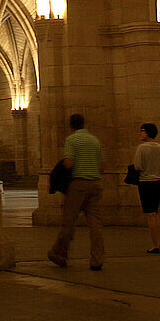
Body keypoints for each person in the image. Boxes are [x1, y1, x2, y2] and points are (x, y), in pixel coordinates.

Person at [48, 113, 104, 271]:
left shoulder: (72, 140)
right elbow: (102, 166)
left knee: (69, 221)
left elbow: (68, 163)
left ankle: (60, 253)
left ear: (71, 125)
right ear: (84, 124)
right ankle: (97, 259)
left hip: (78, 184)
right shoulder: (94, 140)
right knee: (95, 225)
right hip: (95, 184)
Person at [134, 122, 160, 253]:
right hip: (158, 183)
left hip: (146, 183)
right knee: (154, 212)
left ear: (148, 133)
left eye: (142, 131)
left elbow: (137, 167)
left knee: (150, 215)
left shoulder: (142, 148)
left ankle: (155, 244)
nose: (140, 133)